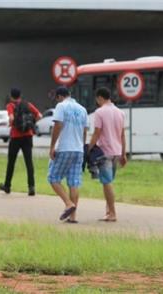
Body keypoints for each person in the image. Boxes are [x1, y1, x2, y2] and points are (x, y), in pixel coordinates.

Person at [48, 86, 88, 223]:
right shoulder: (82, 109)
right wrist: (82, 147)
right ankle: (73, 217)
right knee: (74, 182)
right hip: (79, 149)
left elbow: (57, 126)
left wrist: (52, 146)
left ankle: (68, 204)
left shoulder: (61, 106)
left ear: (59, 96)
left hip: (65, 147)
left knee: (53, 177)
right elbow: (84, 131)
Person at [88, 87, 126, 222]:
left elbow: (97, 132)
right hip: (116, 151)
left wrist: (89, 148)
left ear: (100, 98)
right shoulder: (120, 112)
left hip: (104, 151)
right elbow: (122, 135)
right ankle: (108, 211)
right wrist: (123, 154)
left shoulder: (99, 112)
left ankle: (113, 213)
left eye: (97, 99)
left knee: (106, 182)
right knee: (108, 182)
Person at [0, 88, 42, 196]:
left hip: (15, 137)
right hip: (28, 136)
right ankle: (31, 187)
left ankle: (7, 186)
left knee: (11, 162)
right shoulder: (28, 104)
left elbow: (12, 118)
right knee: (29, 162)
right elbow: (39, 115)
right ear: (20, 95)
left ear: (11, 96)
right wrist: (31, 124)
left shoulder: (10, 105)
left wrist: (11, 123)